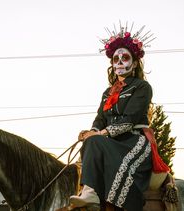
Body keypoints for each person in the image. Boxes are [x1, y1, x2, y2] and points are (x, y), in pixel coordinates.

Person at [69, 23, 170, 210]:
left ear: (134, 62)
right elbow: (100, 118)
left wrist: (100, 135)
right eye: (116, 58)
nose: (120, 62)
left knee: (95, 141)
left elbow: (130, 118)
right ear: (112, 63)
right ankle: (90, 192)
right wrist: (91, 131)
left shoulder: (142, 87)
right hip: (109, 141)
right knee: (90, 143)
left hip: (134, 140)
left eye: (125, 57)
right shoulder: (107, 92)